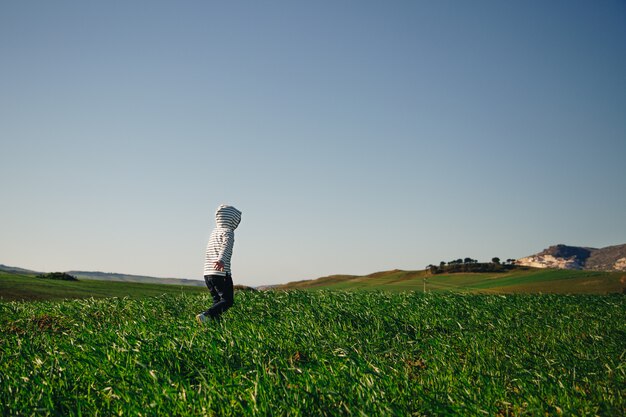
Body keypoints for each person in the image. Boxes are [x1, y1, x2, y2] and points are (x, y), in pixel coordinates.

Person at [196, 204, 242, 323]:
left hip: (208, 273)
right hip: (221, 273)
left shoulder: (214, 232)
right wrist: (221, 260)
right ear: (233, 220)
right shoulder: (228, 232)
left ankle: (215, 324)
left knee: (217, 301)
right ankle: (206, 315)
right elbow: (225, 247)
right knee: (227, 300)